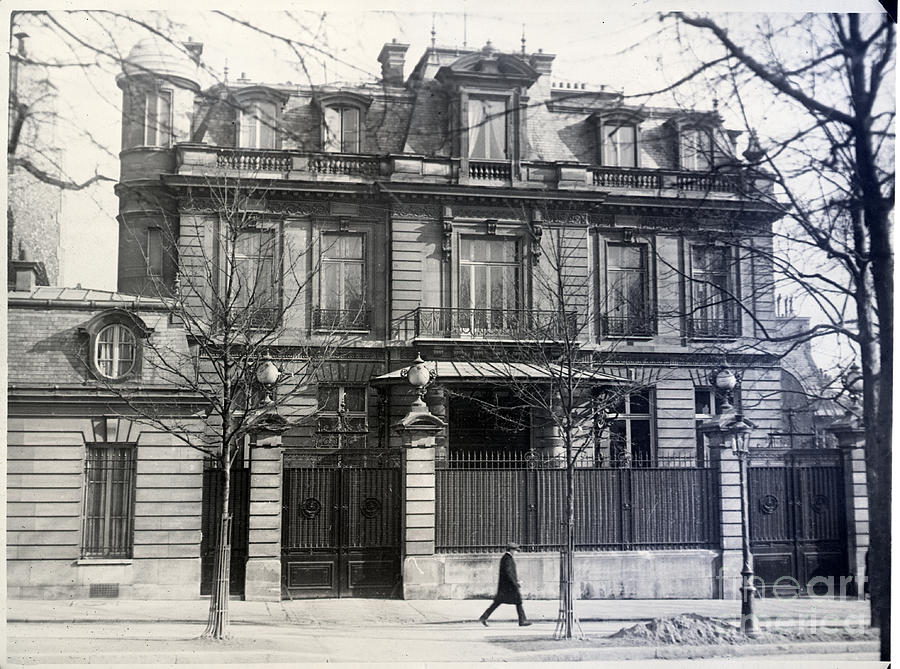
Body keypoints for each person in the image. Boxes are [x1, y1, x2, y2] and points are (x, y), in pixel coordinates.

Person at [479, 542, 531, 627]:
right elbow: (509, 573)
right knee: (518, 602)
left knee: (498, 602)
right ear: (511, 550)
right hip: (509, 586)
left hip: (506, 586)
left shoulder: (506, 558)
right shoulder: (507, 559)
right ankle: (522, 621)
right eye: (515, 550)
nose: (516, 552)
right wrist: (516, 583)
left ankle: (484, 617)